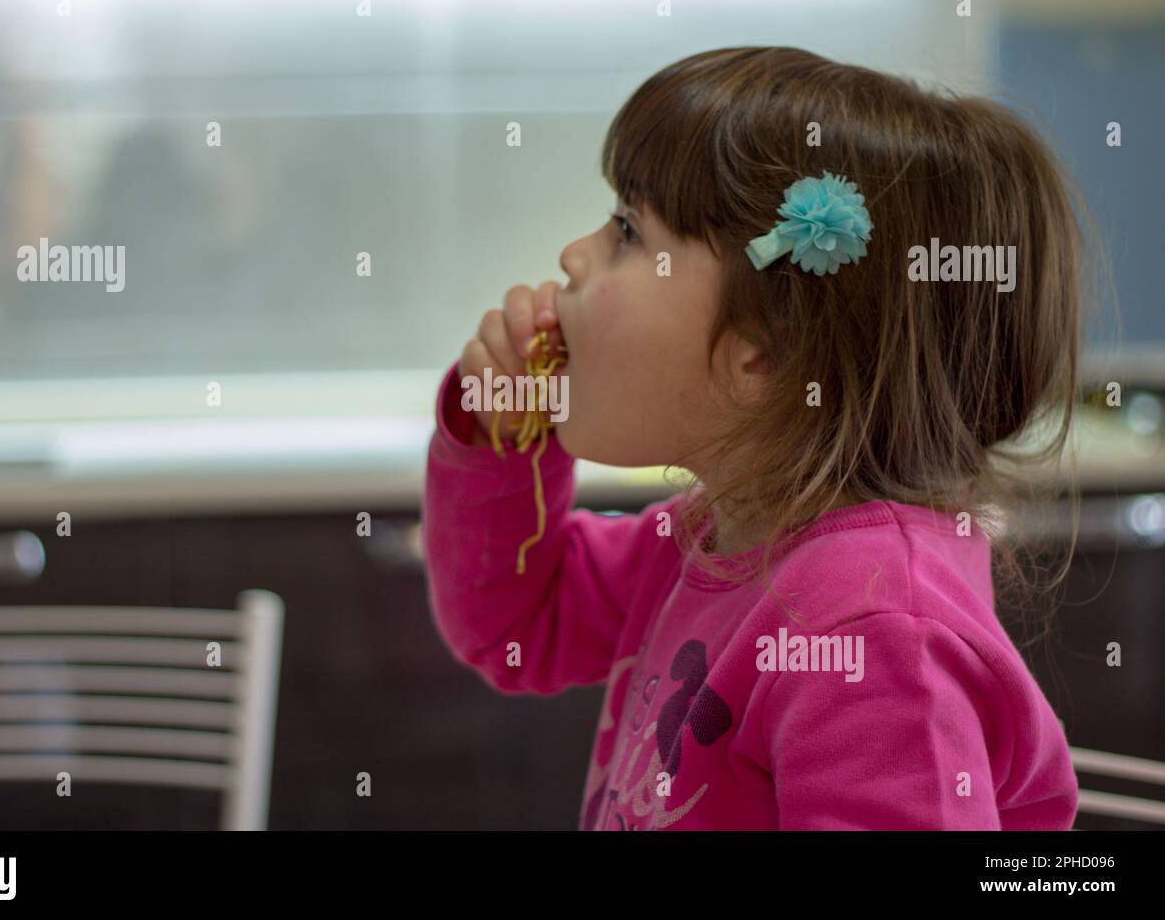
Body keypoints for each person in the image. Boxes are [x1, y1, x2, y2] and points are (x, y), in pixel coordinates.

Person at [422, 46, 1091, 830]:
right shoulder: (715, 534)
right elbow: (517, 624)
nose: (573, 256)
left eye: (628, 230)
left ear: (764, 355)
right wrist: (506, 437)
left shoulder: (873, 636)